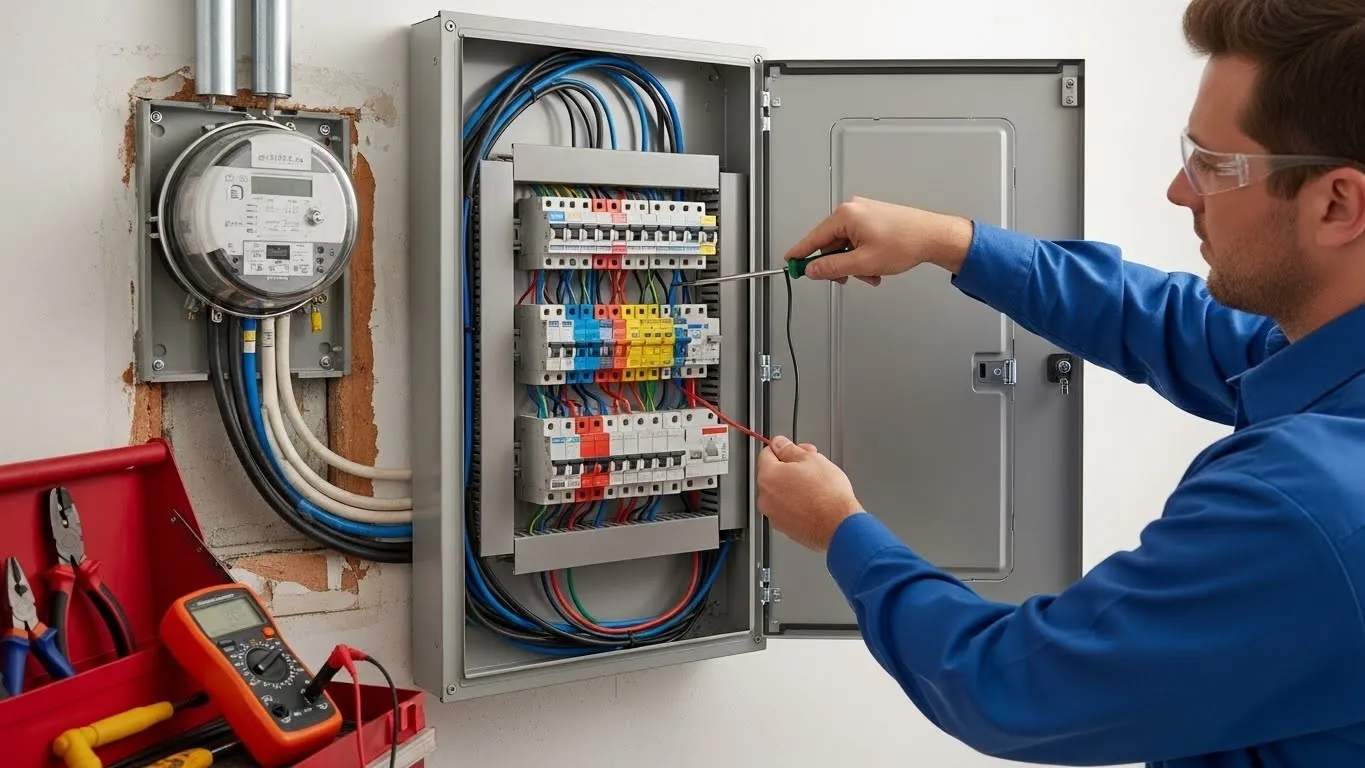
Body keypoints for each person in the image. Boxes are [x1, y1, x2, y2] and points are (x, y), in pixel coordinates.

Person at [753, 1, 1365, 766]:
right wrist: (951, 242)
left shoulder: (1305, 507)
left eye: (1213, 164)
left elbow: (1011, 686)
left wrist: (839, 529)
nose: (1181, 191)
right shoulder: (1330, 362)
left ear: (1337, 203)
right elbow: (1163, 319)